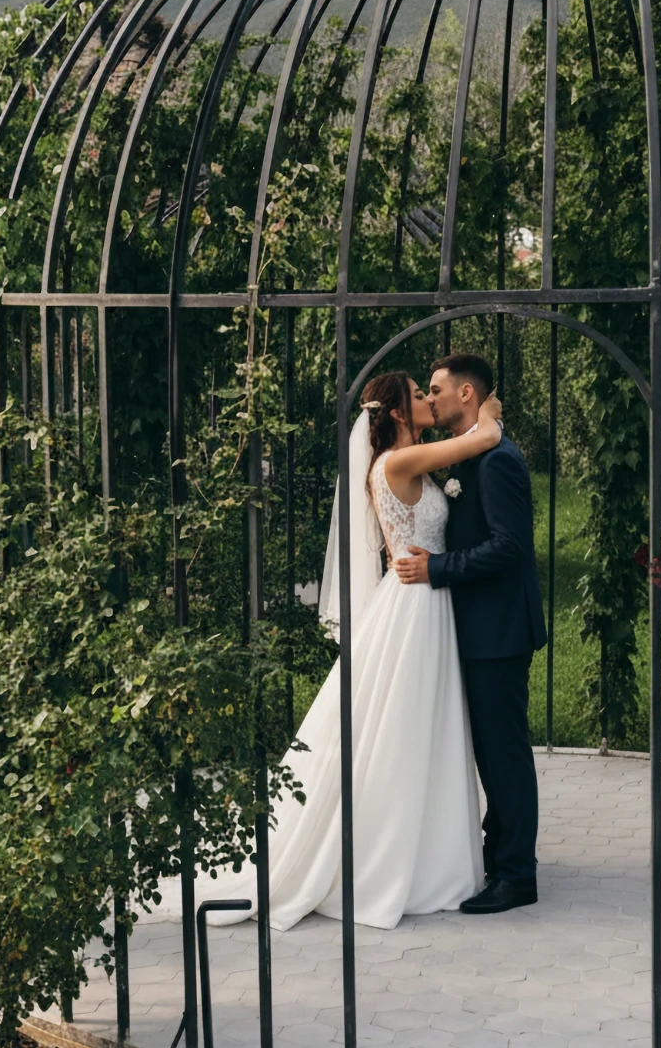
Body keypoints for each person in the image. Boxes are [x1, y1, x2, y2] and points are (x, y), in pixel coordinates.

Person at [141, 369, 505, 931]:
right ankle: (390, 860)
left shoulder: (408, 460)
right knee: (405, 728)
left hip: (427, 601)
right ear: (398, 412)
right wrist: (489, 412)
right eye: (418, 395)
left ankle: (431, 855)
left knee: (421, 729)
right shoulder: (397, 463)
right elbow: (483, 439)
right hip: (414, 607)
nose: (428, 401)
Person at [394, 352, 546, 912]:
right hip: (475, 629)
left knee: (504, 754)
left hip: (499, 631)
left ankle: (517, 874)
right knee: (488, 751)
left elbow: (510, 546)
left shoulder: (498, 460)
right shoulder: (468, 454)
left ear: (466, 394)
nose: (430, 399)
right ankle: (498, 852)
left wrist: (438, 568)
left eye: (436, 389)